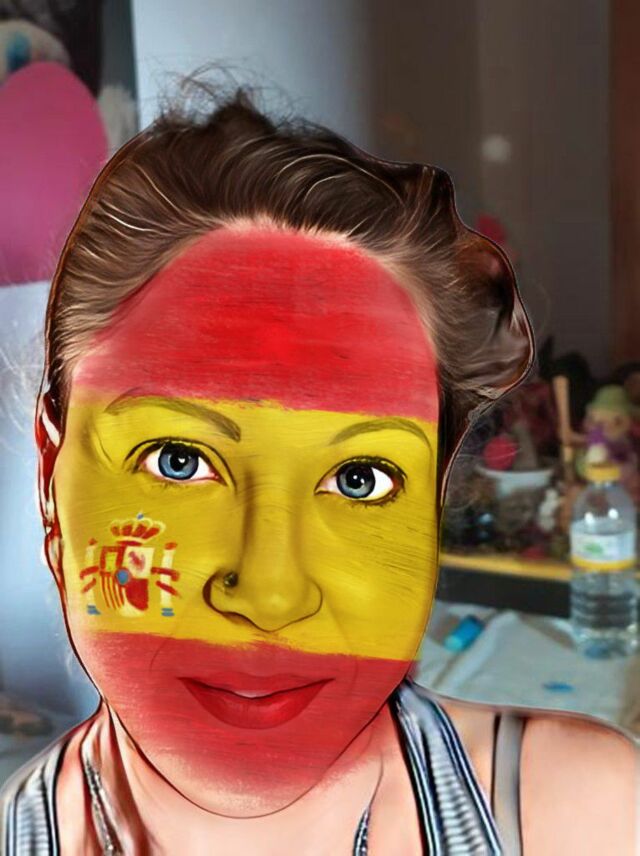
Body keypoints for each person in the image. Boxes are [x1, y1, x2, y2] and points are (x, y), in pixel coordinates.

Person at [1, 87, 637, 855]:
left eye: (360, 478)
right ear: (51, 477)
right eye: (179, 461)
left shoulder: (583, 818)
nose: (273, 594)